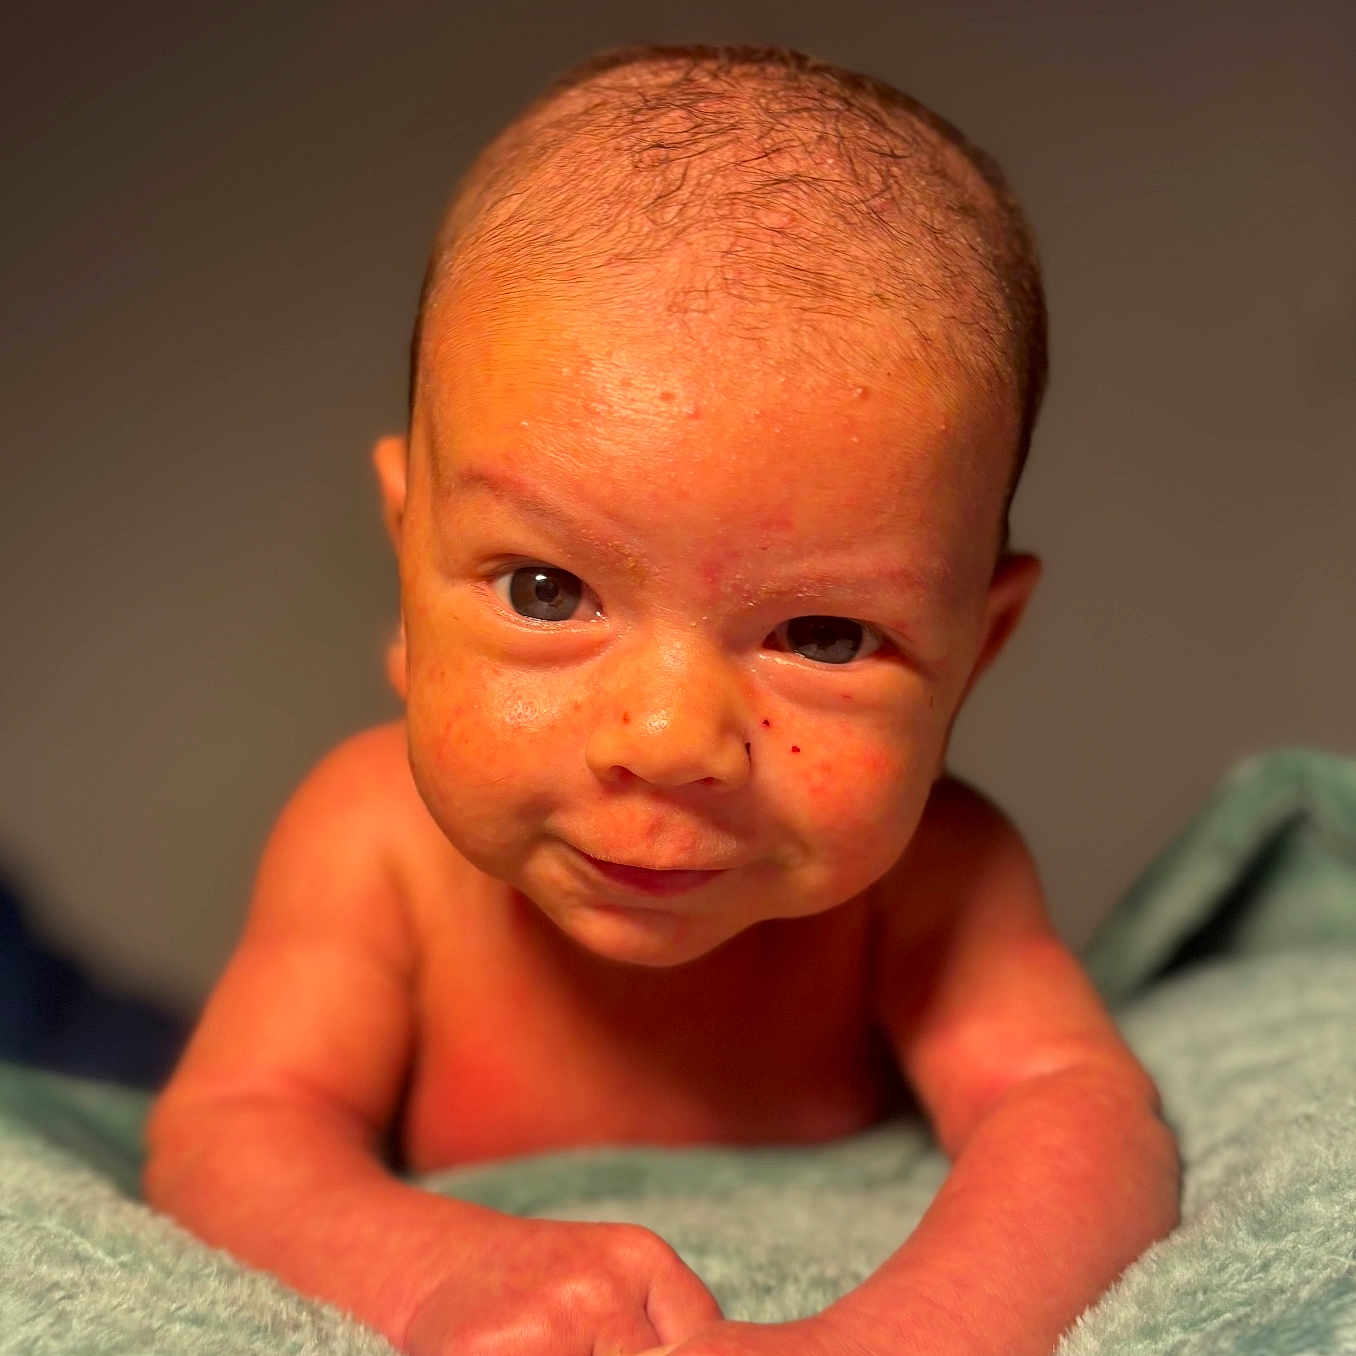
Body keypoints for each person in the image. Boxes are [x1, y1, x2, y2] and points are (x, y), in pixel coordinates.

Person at [144, 44, 1179, 1356]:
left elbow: (1081, 1119)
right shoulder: (372, 848)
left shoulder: (938, 881)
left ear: (976, 649)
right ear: (408, 570)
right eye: (543, 589)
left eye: (821, 633)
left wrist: (888, 1339)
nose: (670, 741)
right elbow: (228, 1136)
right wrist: (432, 1274)